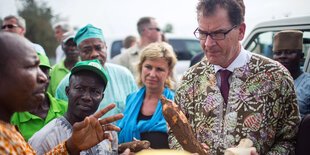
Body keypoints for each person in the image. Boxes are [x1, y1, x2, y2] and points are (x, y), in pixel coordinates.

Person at [168, 0, 300, 154]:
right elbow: (175, 132)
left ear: (241, 31)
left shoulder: (275, 76)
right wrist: (187, 151)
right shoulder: (190, 79)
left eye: (218, 34)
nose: (208, 43)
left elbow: (290, 139)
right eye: (203, 33)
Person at [0, 31, 123, 154]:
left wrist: (70, 147)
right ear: (67, 91)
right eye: (30, 67)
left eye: (95, 91)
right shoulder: (42, 138)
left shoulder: (9, 133)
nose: (43, 78)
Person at [30, 59, 118, 155]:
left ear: (101, 97)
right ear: (67, 91)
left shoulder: (107, 133)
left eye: (95, 91)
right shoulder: (44, 139)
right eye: (80, 89)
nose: (86, 97)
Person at [56, 24, 137, 120]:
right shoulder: (66, 83)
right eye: (87, 50)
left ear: (106, 48)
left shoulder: (124, 75)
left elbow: (134, 112)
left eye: (98, 48)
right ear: (79, 53)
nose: (94, 54)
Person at [118, 42, 177, 149]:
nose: (152, 74)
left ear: (169, 73)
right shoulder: (131, 99)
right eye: (148, 67)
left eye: (159, 69)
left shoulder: (175, 103)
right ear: (141, 67)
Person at [10, 52, 68, 141]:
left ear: (49, 79)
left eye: (44, 72)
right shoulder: (13, 116)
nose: (40, 78)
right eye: (33, 72)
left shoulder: (65, 108)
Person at [273, 30, 310, 118]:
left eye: (289, 52)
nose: (282, 56)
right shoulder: (267, 82)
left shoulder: (307, 84)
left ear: (301, 56)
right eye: (278, 53)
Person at [48, 31, 80, 97]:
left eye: (75, 44)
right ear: (62, 46)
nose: (72, 48)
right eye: (69, 44)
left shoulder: (86, 69)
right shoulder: (52, 71)